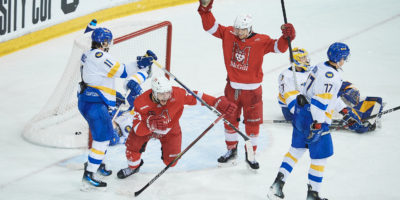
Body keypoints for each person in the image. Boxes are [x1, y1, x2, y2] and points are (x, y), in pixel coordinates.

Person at [197, 0, 296, 169]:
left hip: (253, 93)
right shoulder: (229, 33)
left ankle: (251, 154)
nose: (238, 32)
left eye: (242, 29)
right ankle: (231, 150)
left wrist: (287, 37)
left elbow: (278, 48)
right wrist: (205, 9)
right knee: (230, 120)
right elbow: (210, 27)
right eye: (237, 29)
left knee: (252, 124)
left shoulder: (261, 40)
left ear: (250, 28)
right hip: (232, 89)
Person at [267, 42, 362, 200]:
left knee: (295, 151)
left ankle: (276, 186)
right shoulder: (330, 77)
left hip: (301, 114)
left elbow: (329, 96)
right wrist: (318, 125)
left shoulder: (320, 67)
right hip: (314, 119)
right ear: (339, 58)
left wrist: (345, 112)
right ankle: (313, 196)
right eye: (344, 58)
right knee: (320, 157)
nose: (345, 60)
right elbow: (319, 102)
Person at [78, 26, 157, 188]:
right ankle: (89, 173)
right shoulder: (100, 56)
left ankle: (98, 164)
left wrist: (140, 62)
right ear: (104, 42)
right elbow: (122, 71)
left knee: (103, 136)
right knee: (103, 139)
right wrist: (141, 63)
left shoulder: (88, 54)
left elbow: (102, 75)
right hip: (95, 104)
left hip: (89, 99)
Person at [116, 76, 237, 179]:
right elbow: (137, 129)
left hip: (170, 130)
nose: (165, 97)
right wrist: (150, 124)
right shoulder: (140, 102)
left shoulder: (177, 94)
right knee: (133, 146)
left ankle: (166, 153)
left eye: (167, 93)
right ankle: (133, 168)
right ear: (154, 92)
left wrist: (215, 101)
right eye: (161, 94)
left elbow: (196, 96)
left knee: (171, 162)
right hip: (147, 130)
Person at [278, 47, 312, 121]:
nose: (306, 59)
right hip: (289, 109)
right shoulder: (286, 76)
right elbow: (289, 97)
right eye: (303, 58)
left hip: (306, 102)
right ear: (296, 60)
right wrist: (300, 112)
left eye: (306, 57)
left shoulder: (309, 71)